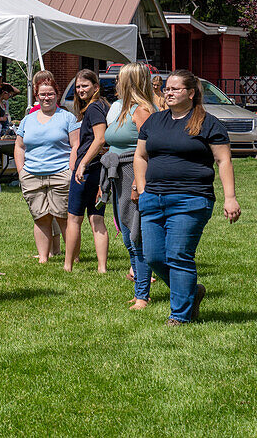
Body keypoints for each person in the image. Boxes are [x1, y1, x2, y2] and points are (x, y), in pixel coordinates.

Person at [134, 69, 241, 325]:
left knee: (178, 255)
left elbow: (223, 160)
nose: (167, 92)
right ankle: (191, 292)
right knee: (154, 257)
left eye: (174, 89)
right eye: (166, 89)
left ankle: (180, 316)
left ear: (191, 93)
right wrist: (142, 188)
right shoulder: (154, 121)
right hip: (153, 199)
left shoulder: (208, 122)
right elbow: (140, 156)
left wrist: (230, 197)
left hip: (191, 199)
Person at [102, 62, 159, 310]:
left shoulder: (143, 110)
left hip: (132, 175)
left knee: (137, 238)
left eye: (119, 80)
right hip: (117, 176)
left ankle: (142, 296)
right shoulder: (124, 109)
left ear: (130, 83)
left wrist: (139, 182)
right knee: (127, 237)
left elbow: (151, 150)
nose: (115, 84)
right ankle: (140, 289)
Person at [13, 70, 78, 264]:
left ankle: (72, 257)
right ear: (37, 96)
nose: (46, 97)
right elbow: (19, 146)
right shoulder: (28, 120)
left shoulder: (66, 117)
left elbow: (76, 145)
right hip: (32, 175)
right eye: (42, 94)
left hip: (60, 173)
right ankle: (43, 258)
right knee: (40, 217)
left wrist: (71, 169)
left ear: (57, 95)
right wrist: (21, 171)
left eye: (50, 93)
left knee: (63, 217)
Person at [65, 69, 110, 273]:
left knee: (74, 218)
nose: (80, 90)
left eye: (85, 86)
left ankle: (68, 266)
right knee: (96, 217)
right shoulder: (101, 106)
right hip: (99, 170)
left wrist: (82, 163)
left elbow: (100, 138)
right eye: (78, 86)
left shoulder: (93, 109)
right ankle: (102, 268)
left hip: (89, 170)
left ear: (96, 87)